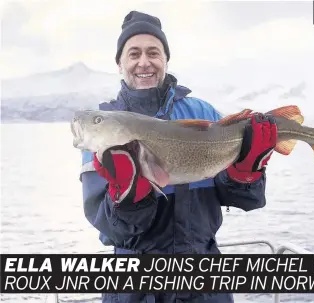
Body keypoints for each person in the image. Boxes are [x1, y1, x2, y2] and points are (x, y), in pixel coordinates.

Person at [80, 10, 277, 303]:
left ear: (165, 60)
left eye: (153, 52)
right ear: (119, 63)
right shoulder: (103, 132)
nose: (143, 62)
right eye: (133, 53)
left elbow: (244, 200)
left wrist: (246, 173)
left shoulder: (204, 114)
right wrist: (129, 199)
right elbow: (109, 226)